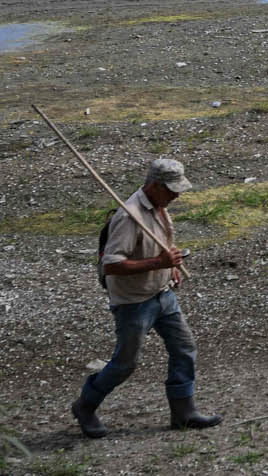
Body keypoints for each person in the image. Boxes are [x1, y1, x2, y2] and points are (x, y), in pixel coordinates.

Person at [71, 157, 220, 437]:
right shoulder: (129, 217)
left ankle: (183, 412)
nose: (177, 195)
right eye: (171, 189)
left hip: (162, 294)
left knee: (184, 348)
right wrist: (159, 264)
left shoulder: (160, 208)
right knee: (125, 364)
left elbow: (163, 246)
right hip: (133, 303)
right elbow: (111, 265)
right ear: (153, 185)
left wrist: (171, 266)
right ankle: (85, 406)